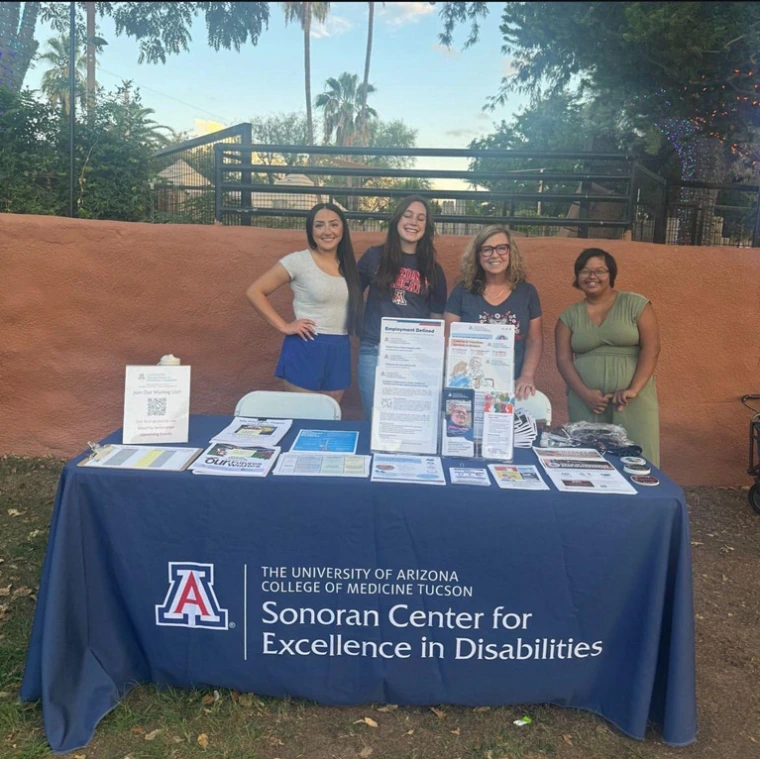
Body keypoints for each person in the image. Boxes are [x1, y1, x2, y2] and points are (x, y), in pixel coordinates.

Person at [246, 203, 363, 403]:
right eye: (319, 225)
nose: (327, 231)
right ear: (311, 230)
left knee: (329, 417)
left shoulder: (348, 266)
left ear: (343, 228)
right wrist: (284, 325)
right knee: (305, 415)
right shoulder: (298, 261)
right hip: (307, 346)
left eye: (334, 224)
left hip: (339, 348)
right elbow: (255, 291)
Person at [555, 248, 661, 466]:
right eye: (585, 271)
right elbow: (563, 359)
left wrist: (633, 389)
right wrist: (585, 394)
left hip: (632, 400)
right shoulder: (568, 316)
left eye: (600, 271)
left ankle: (643, 501)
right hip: (586, 401)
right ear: (577, 276)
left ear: (611, 274)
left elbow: (651, 348)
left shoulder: (636, 304)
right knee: (589, 459)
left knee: (639, 457)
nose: (592, 276)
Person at [357, 195, 447, 419]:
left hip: (415, 355)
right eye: (407, 215)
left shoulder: (434, 270)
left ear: (426, 227)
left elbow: (436, 321)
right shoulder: (373, 256)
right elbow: (348, 294)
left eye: (420, 218)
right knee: (376, 421)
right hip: (374, 351)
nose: (413, 222)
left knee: (408, 421)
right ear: (397, 220)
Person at [444, 225, 543, 400]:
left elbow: (534, 340)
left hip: (513, 389)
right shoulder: (462, 292)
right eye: (487, 249)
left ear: (511, 252)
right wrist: (457, 379)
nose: (495, 255)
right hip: (469, 386)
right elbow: (447, 340)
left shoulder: (527, 293)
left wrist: (527, 375)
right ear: (478, 255)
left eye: (501, 248)